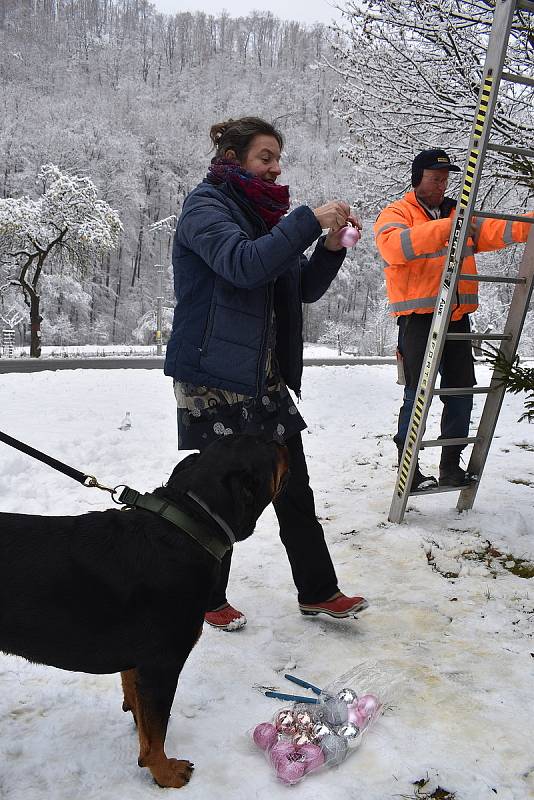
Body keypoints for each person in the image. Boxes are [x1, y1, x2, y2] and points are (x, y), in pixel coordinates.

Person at [164, 116, 368, 631]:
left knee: (293, 483)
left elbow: (296, 288)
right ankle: (208, 596)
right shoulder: (205, 207)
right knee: (220, 490)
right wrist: (304, 221)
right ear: (233, 159)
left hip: (263, 376)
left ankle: (318, 591)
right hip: (214, 376)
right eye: (266, 158)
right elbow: (242, 265)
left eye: (279, 159)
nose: (277, 169)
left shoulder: (260, 216)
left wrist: (329, 249)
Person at [374, 148, 533, 490]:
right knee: (417, 395)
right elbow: (395, 247)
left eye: (445, 179)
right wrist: (448, 228)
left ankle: (450, 465)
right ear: (417, 178)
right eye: (435, 178)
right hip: (418, 322)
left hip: (457, 319)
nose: (442, 184)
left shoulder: (457, 213)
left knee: (461, 394)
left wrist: (526, 225)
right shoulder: (397, 212)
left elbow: (492, 230)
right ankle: (409, 469)